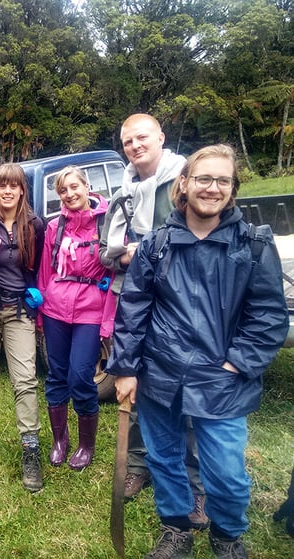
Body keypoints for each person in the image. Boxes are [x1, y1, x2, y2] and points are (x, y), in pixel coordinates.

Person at [108, 144, 288, 558]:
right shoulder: (155, 246)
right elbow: (133, 309)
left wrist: (235, 363)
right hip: (159, 373)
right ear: (184, 184)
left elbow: (268, 317)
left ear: (233, 188)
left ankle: (226, 536)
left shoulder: (254, 245)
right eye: (204, 178)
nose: (212, 188)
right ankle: (176, 530)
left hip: (223, 378)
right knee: (165, 459)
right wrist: (126, 368)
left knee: (226, 474)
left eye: (222, 180)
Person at [100, 114, 206, 525]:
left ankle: (197, 487)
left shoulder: (184, 180)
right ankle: (141, 466)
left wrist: (136, 250)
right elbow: (107, 249)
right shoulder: (123, 188)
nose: (135, 146)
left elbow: (190, 238)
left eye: (142, 137)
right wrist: (128, 253)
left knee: (189, 391)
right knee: (138, 384)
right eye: (128, 141)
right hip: (137, 300)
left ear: (160, 137)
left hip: (182, 305)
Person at [0, 163, 45, 492]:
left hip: (19, 311)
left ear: (21, 190)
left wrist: (37, 299)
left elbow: (42, 269)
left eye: (13, 186)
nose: (7, 191)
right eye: (2, 185)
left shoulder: (34, 225)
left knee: (25, 378)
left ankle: (31, 448)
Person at [37, 166, 114, 472]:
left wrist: (108, 320)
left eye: (74, 187)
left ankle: (86, 445)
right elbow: (46, 270)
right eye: (63, 191)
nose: (70, 194)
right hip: (56, 307)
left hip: (90, 309)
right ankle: (60, 440)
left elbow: (114, 273)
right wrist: (40, 312)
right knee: (56, 374)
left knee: (81, 375)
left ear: (86, 186)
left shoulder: (105, 224)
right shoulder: (55, 228)